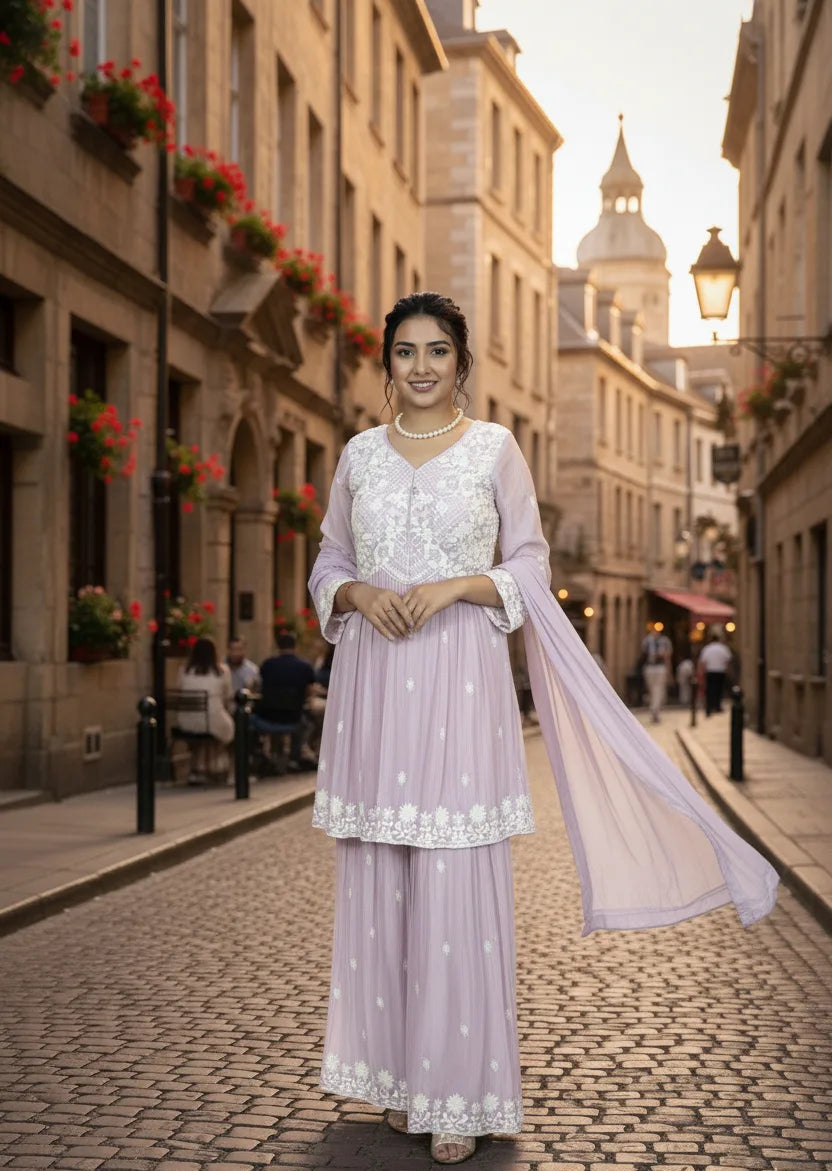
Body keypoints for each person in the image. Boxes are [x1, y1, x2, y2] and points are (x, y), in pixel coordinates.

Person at [307, 292, 779, 1165]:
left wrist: (455, 585)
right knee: (382, 882)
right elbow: (330, 558)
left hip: (458, 684)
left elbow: (529, 561)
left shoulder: (496, 450)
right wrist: (358, 593)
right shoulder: (358, 457)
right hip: (375, 689)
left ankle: (461, 1092)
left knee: (454, 887)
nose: (419, 366)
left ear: (461, 362)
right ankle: (400, 1081)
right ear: (386, 364)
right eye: (404, 351)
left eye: (437, 351)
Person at [252, 632, 317, 771]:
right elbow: (309, 693)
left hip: (266, 718)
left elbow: (258, 687)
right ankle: (296, 756)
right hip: (293, 719)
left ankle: (266, 755)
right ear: (295, 647)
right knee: (309, 721)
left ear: (278, 647)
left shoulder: (267, 665)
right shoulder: (304, 667)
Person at [176, 637, 235, 783]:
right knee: (224, 723)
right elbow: (228, 696)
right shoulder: (222, 671)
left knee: (207, 723)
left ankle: (198, 767)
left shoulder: (184, 670)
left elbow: (180, 690)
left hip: (186, 721)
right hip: (211, 720)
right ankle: (213, 766)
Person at [641, 623, 673, 723]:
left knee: (657, 690)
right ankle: (654, 709)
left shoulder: (664, 641)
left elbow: (667, 657)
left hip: (659, 668)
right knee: (654, 690)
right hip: (651, 667)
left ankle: (654, 710)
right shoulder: (647, 641)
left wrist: (668, 671)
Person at [698, 632, 735, 716]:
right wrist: (729, 671)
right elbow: (728, 661)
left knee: (710, 690)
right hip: (720, 671)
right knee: (719, 689)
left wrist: (702, 672)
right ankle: (717, 706)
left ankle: (710, 706)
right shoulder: (723, 648)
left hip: (710, 671)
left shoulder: (707, 648)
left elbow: (703, 662)